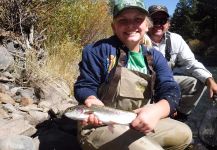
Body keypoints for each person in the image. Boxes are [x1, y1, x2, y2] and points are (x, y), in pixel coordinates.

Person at [74, 0, 192, 150]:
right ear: (113, 26)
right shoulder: (97, 50)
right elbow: (84, 85)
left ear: (147, 25)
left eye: (138, 19)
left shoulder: (155, 57)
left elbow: (170, 88)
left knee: (184, 133)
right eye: (123, 20)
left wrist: (157, 110)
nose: (131, 25)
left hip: (136, 121)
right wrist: (90, 99)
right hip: (101, 125)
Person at [147, 5, 217, 120]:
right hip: (144, 83)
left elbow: (191, 63)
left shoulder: (176, 39)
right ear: (146, 22)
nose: (158, 24)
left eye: (162, 20)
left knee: (199, 82)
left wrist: (210, 80)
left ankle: (180, 115)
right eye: (154, 20)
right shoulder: (137, 37)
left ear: (168, 24)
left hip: (166, 82)